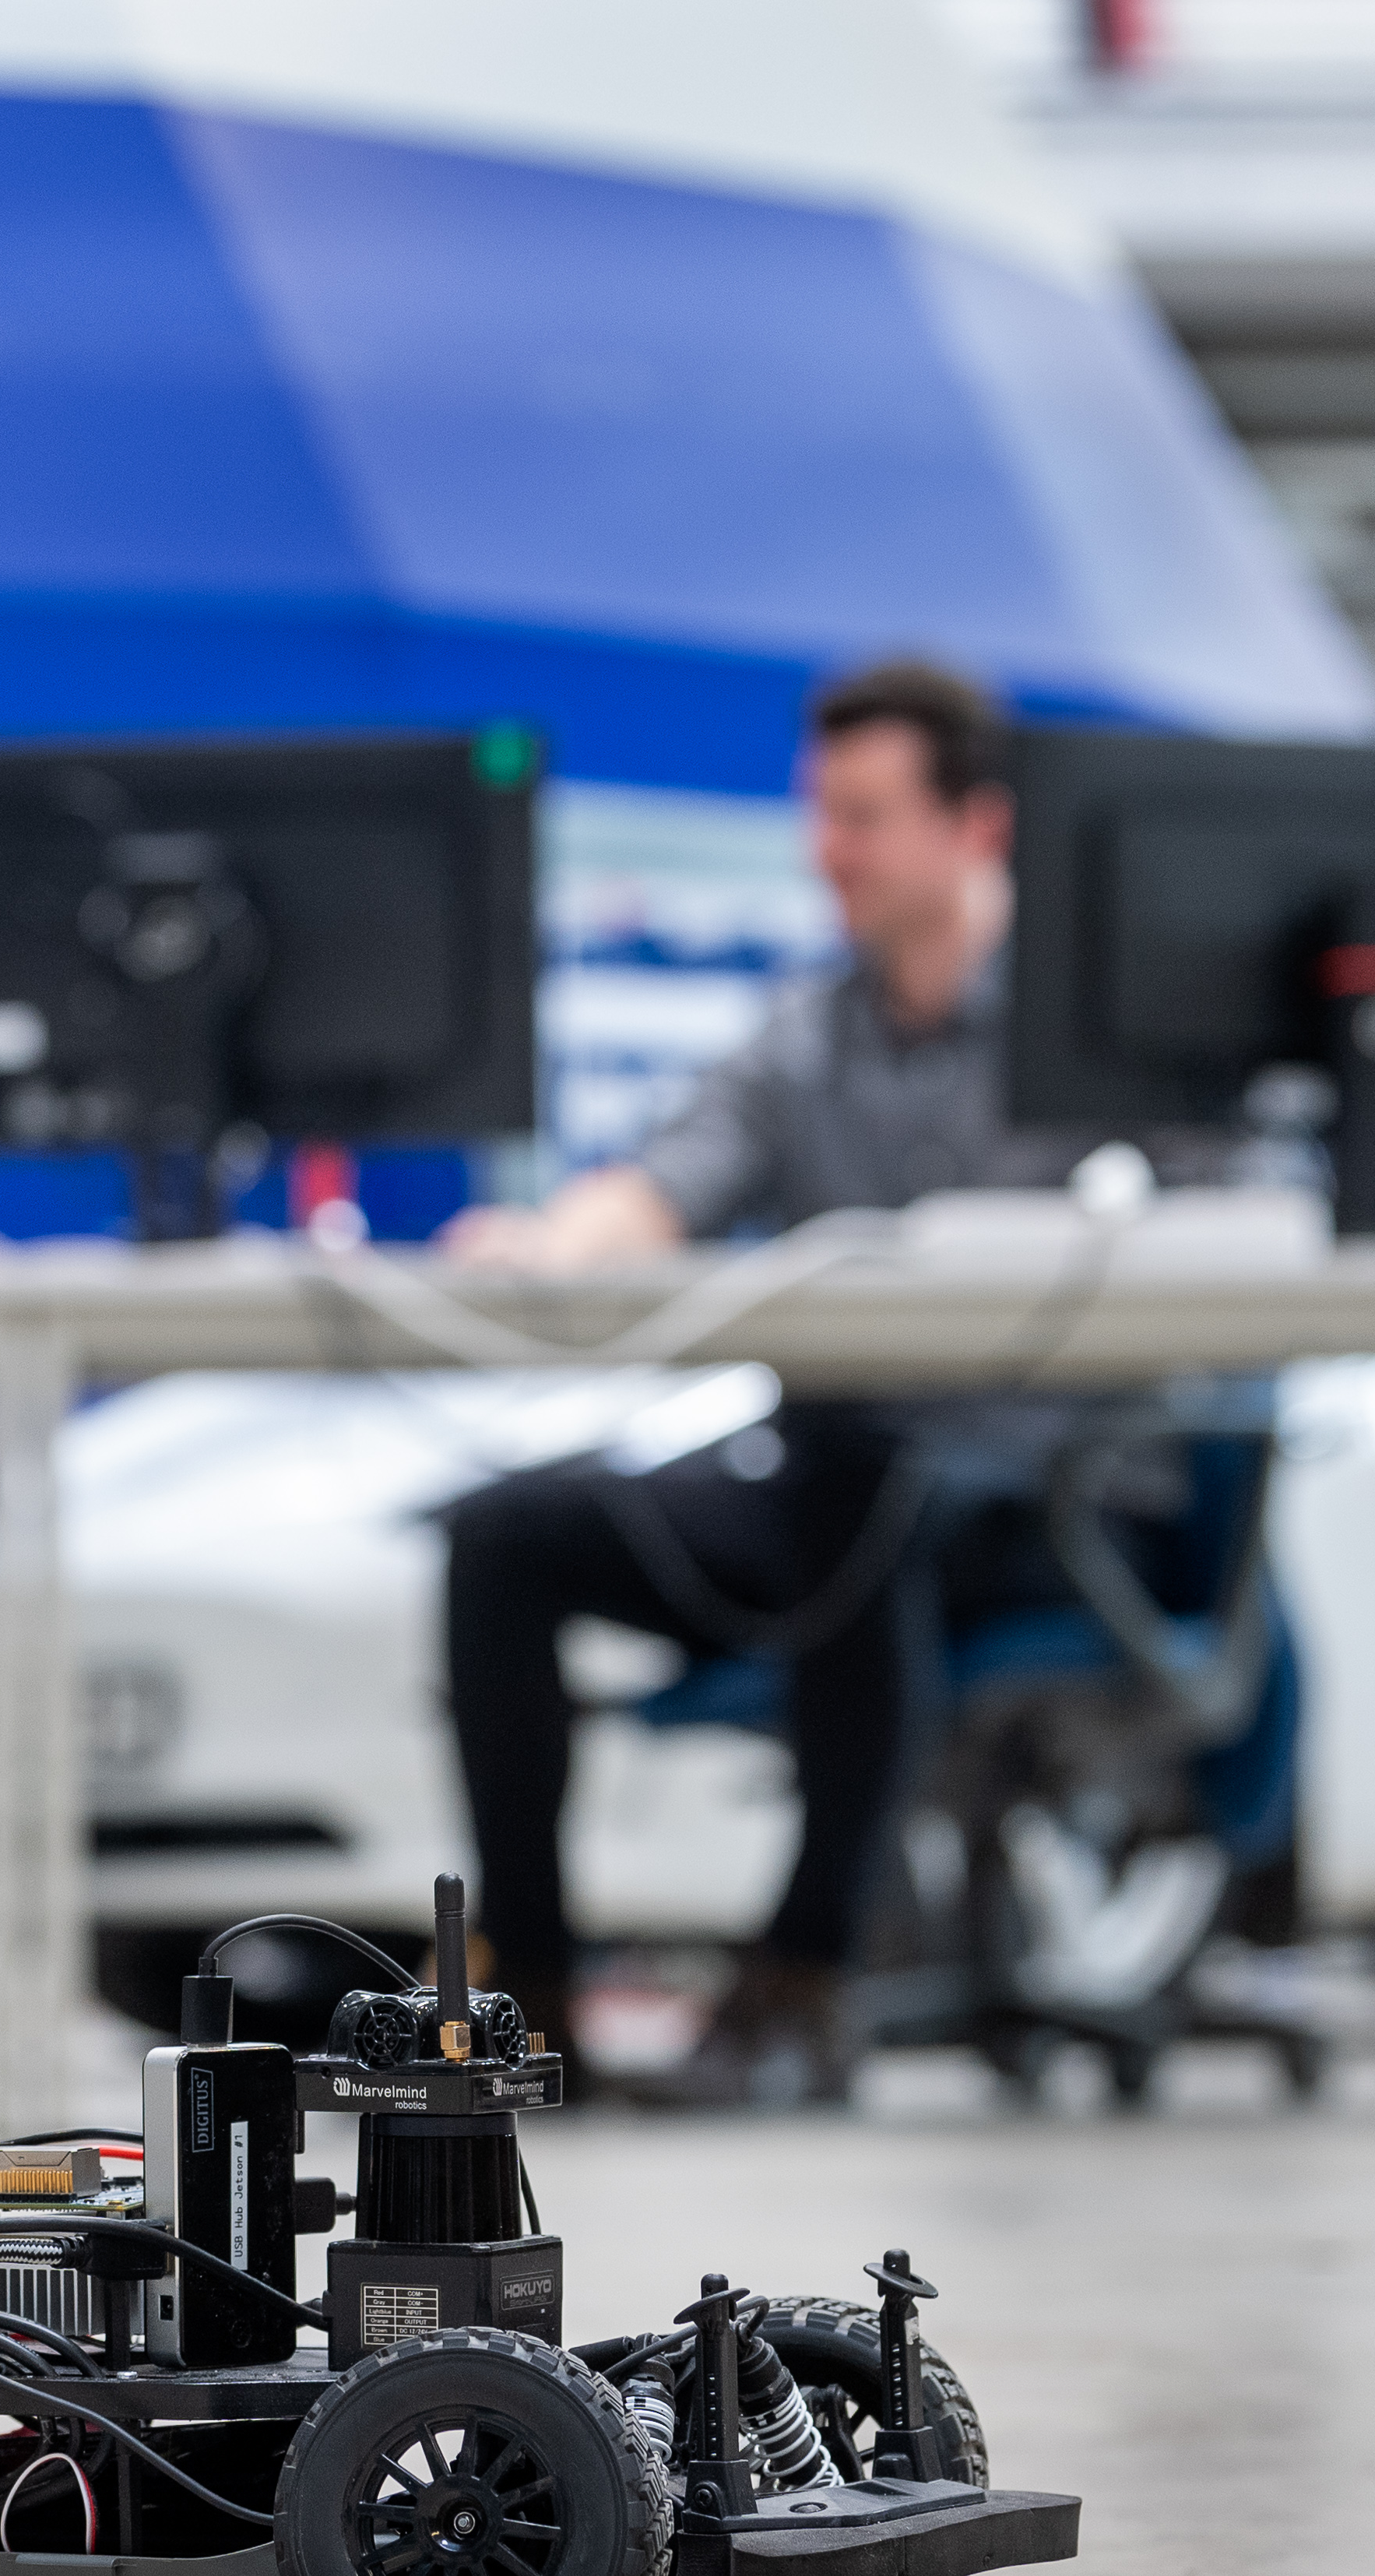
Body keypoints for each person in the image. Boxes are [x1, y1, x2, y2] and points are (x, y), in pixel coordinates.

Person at [436, 658, 1237, 2106]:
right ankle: (534, 1999)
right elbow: (670, 1180)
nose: (832, 852)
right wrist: (554, 1243)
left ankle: (804, 1981)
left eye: (864, 817)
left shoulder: (1106, 1031)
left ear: (974, 825)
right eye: (823, 816)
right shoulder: (805, 1038)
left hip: (1060, 1499)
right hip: (836, 1484)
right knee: (507, 1538)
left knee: (864, 1483)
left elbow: (1239, 1246)